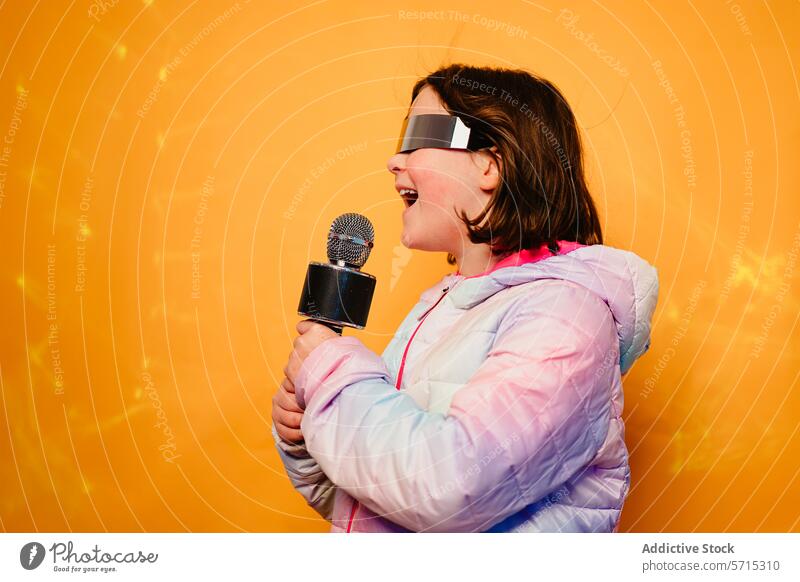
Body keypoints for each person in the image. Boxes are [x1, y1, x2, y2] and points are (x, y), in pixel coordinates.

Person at [271, 64, 659, 533]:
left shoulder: (567, 316)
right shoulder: (439, 308)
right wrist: (309, 440)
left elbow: (452, 485)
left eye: (417, 138)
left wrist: (334, 374)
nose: (395, 161)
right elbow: (382, 509)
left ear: (489, 164)